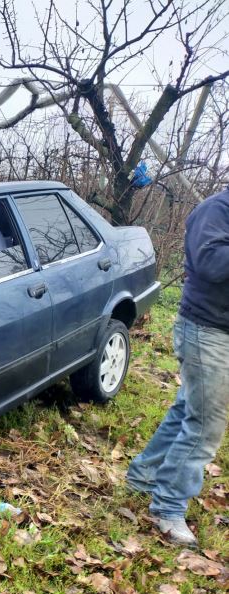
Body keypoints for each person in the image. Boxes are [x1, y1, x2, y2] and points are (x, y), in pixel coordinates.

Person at [127, 188, 229, 547]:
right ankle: (168, 506)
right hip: (207, 331)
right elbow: (212, 263)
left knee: (189, 409)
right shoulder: (216, 210)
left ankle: (144, 474)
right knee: (206, 424)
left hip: (220, 329)